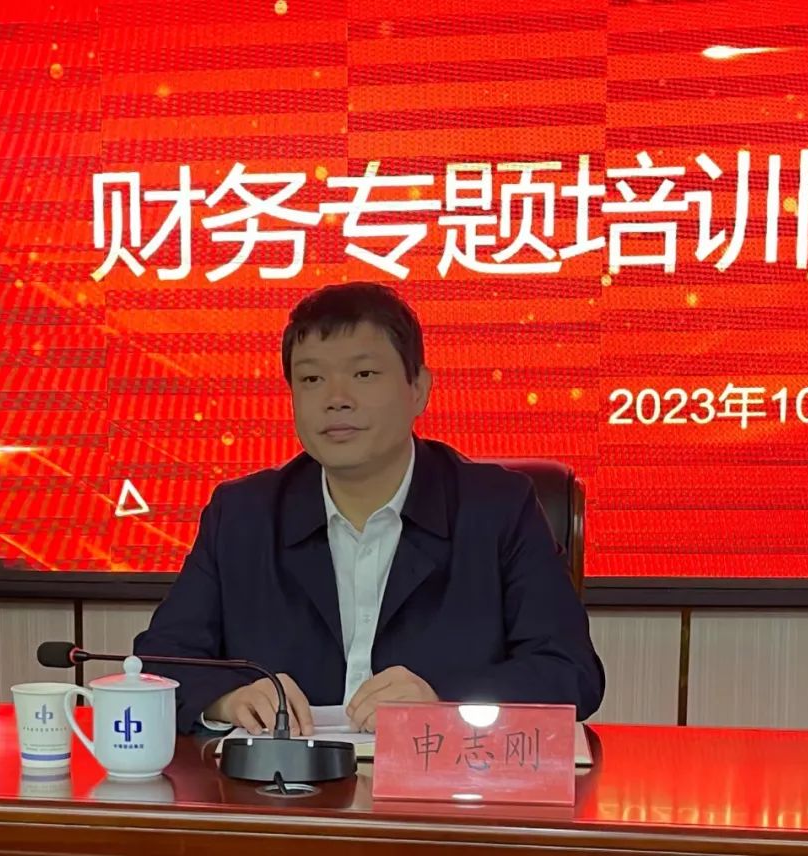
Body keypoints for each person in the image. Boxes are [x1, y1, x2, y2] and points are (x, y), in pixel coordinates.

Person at [134, 282, 605, 735]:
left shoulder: (498, 508)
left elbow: (569, 670)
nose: (336, 400)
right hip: (284, 785)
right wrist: (226, 699)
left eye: (364, 375)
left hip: (437, 780)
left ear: (418, 389)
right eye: (312, 379)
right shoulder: (243, 515)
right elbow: (159, 662)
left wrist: (444, 702)